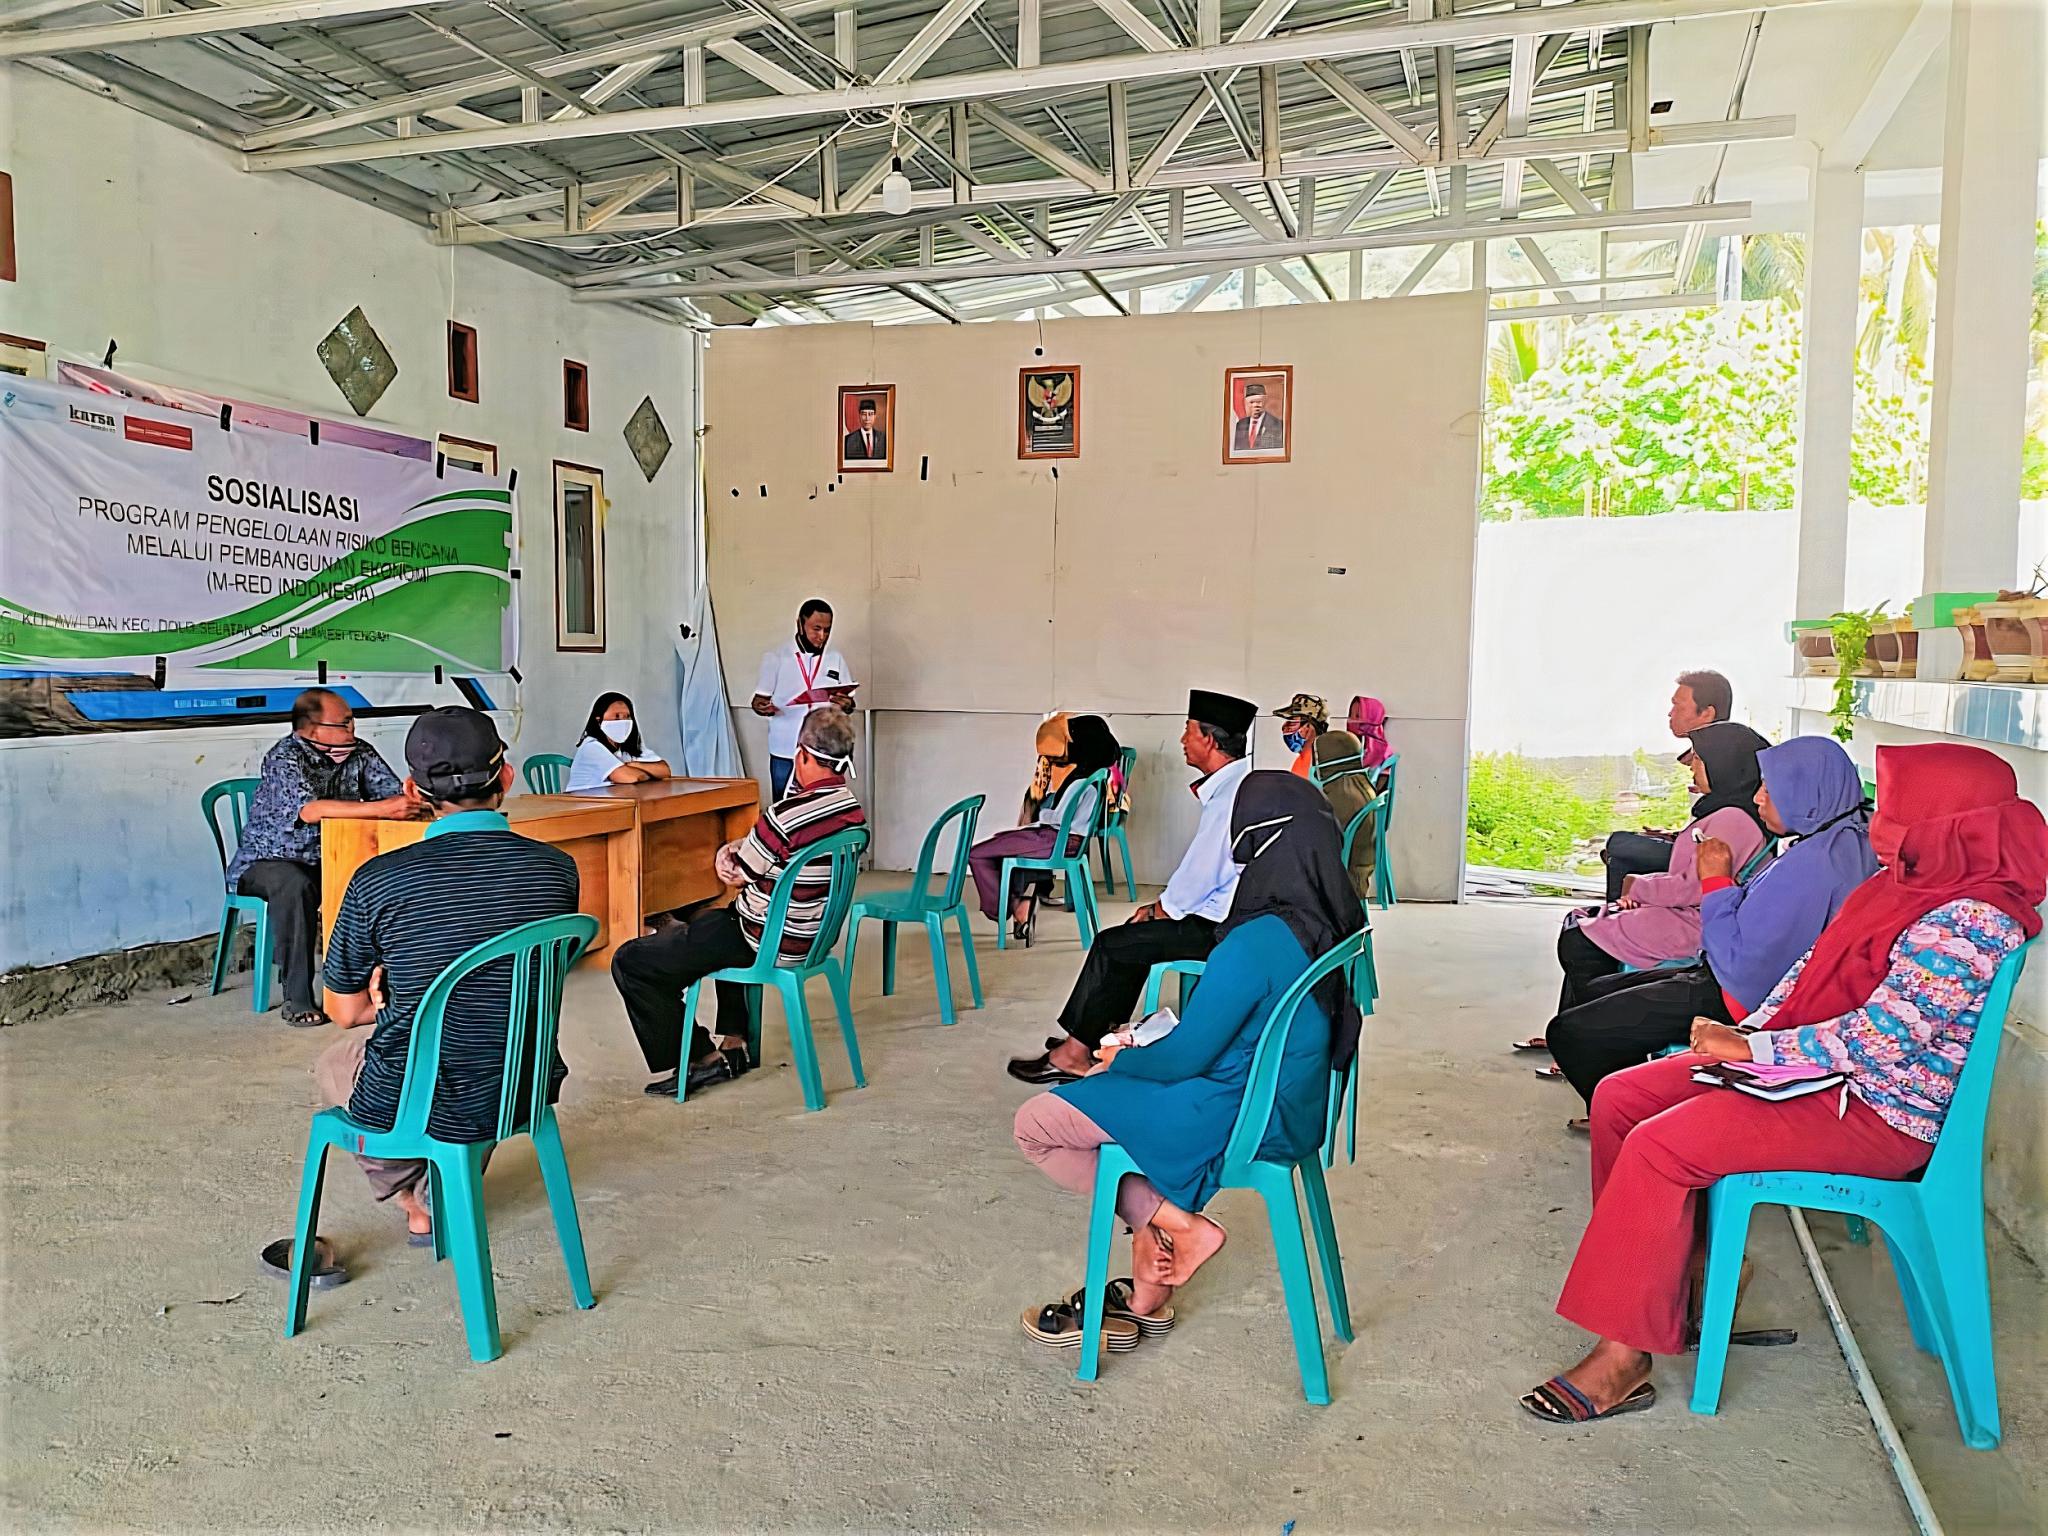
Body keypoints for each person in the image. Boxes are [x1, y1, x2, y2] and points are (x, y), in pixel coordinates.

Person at [1521, 742, 2045, 1424]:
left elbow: (1883, 1040)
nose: (1880, 820)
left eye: (1896, 807)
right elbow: (1809, 971)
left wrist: (1754, 1046)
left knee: (1659, 1144)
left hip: (1876, 1112)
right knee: (1622, 1096)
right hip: (1819, 1072)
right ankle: (1683, 1279)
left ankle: (1624, 1355)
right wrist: (1746, 1034)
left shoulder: (1973, 918)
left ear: (1946, 822)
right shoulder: (1906, 882)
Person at [1012, 772, 1365, 1348]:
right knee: (1116, 1105)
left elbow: (1184, 1059)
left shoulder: (1256, 941)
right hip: (1294, 1107)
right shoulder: (1331, 921)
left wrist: (1117, 1058)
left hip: (1240, 1115)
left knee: (1039, 1124)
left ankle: (1181, 1227)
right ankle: (1146, 1297)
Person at [313, 708, 580, 1244]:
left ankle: (414, 1198)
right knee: (485, 1047)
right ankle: (442, 1189)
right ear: (507, 776)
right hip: (523, 1083)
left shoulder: (378, 880)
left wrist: (391, 997)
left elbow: (343, 1012)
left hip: (418, 1095)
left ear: (413, 790)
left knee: (338, 1064)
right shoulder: (557, 870)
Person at [1534, 735, 1878, 1115]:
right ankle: (1629, 1099)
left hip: (1734, 996)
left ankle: (1628, 1114)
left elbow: (1737, 960)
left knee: (1570, 1032)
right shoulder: (1841, 842)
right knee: (1597, 992)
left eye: (1771, 789)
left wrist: (1715, 879)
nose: (1758, 797)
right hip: (1728, 976)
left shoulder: (1813, 867)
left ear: (1807, 793)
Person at [611, 707, 866, 1098]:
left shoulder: (785, 815)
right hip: (812, 936)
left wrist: (729, 853)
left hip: (765, 938)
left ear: (801, 754)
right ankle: (735, 1039)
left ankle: (701, 1059)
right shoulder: (850, 808)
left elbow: (737, 875)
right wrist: (752, 849)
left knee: (633, 961)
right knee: (713, 921)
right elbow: (774, 854)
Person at [1007, 690, 1257, 1085]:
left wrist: (1159, 909)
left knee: (1113, 944)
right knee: (1130, 940)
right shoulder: (1240, 784)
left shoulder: (1229, 799)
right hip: (1234, 915)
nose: (1182, 740)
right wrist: (1160, 908)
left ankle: (1072, 1056)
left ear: (1209, 740)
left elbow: (1200, 876)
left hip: (1221, 926)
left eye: (1188, 730)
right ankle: (1091, 1037)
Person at [226, 688, 426, 1029]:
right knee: (294, 884)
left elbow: (392, 796)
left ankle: (382, 985)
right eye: (344, 723)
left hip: (329, 860)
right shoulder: (284, 757)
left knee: (381, 877)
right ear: (311, 729)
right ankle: (297, 996)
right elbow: (310, 811)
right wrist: (382, 809)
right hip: (268, 861)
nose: (352, 729)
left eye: (352, 721)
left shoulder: (359, 753)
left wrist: (412, 801)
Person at [1554, 722, 1770, 1016]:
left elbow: (1694, 888)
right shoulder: (1728, 812)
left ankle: (1587, 1021)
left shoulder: (1733, 819)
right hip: (1690, 915)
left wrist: (1637, 886)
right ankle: (1583, 1020)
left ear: (1723, 764)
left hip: (1697, 924)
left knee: (1580, 938)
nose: (1691, 765)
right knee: (1583, 924)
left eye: (1699, 758)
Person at [969, 714, 1122, 944]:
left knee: (977, 853)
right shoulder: (1094, 776)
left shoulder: (1080, 782)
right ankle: (1023, 903)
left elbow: (1059, 817)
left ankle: (1009, 907)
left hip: (1056, 840)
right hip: (1065, 840)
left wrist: (1041, 813)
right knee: (1006, 846)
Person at [1601, 670, 1734, 900]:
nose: (1670, 713)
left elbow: (1725, 830)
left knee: (1618, 844)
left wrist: (1680, 841)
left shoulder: (1724, 761)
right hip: (1693, 846)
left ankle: (1615, 915)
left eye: (1678, 706)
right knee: (1620, 852)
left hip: (1705, 861)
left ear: (1707, 713)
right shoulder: (1721, 750)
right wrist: (1674, 836)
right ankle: (1618, 914)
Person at [752, 599, 858, 799]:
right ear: (800, 624)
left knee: (822, 807)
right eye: (816, 629)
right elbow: (759, 701)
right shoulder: (776, 657)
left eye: (827, 630)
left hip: (823, 752)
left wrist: (847, 705)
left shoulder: (835, 658)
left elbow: (849, 703)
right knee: (784, 806)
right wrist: (761, 706)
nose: (822, 636)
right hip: (785, 749)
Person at [1311, 729, 1380, 902]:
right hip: (1358, 874)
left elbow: (1321, 839)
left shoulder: (1342, 794)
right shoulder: (1358, 783)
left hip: (1342, 884)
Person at [566, 691, 672, 792]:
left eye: (627, 717)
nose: (623, 722)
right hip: (585, 803)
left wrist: (632, 765)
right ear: (598, 720)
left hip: (616, 800)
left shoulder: (627, 747)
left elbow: (664, 770)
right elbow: (631, 777)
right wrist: (650, 773)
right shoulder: (591, 747)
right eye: (617, 716)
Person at [1271, 693, 1328, 778]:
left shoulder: (1317, 765)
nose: (1284, 728)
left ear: (1308, 728)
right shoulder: (1302, 760)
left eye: (1292, 722)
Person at [1344, 696, 1392, 775]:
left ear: (1372, 718)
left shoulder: (1382, 755)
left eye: (1357, 716)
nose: (1351, 720)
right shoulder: (1347, 743)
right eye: (1350, 715)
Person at [1232, 382, 1285, 452]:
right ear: (1246, 403)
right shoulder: (1240, 425)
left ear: (1265, 402)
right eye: (1252, 402)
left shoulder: (1278, 425)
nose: (1255, 405)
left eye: (1259, 402)